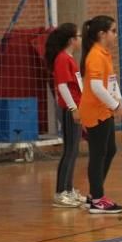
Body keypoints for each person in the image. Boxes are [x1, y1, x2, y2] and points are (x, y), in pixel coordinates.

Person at [78, 15, 122, 215]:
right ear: (102, 34)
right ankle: (97, 199)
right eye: (113, 31)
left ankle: (94, 194)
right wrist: (116, 106)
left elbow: (111, 81)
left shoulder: (104, 53)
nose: (115, 35)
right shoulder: (95, 56)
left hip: (104, 110)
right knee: (98, 155)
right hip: (94, 112)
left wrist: (119, 101)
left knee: (110, 150)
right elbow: (97, 87)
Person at [45, 23, 85, 208]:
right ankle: (61, 192)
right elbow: (62, 86)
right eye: (78, 36)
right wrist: (73, 108)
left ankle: (68, 190)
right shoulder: (62, 59)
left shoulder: (69, 59)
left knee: (74, 150)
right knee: (69, 150)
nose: (81, 39)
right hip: (69, 109)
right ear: (71, 40)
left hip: (75, 107)